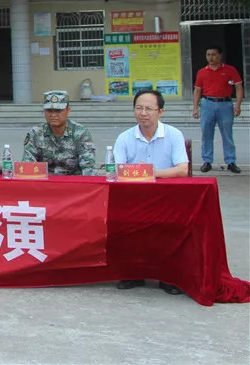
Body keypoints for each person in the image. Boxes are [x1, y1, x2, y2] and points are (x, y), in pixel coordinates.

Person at [114, 90, 189, 296]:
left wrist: (151, 172)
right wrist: (137, 174)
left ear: (160, 111)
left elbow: (182, 169)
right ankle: (133, 273)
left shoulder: (173, 135)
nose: (143, 113)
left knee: (170, 228)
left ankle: (168, 277)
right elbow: (117, 171)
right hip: (133, 197)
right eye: (139, 108)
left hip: (166, 197)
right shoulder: (124, 137)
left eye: (149, 108)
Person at [192, 45, 243, 174]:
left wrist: (237, 105)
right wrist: (195, 108)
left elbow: (238, 87)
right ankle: (207, 161)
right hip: (207, 104)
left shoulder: (230, 70)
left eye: (214, 54)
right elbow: (197, 90)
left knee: (227, 134)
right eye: (208, 55)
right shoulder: (202, 72)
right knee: (206, 134)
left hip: (225, 104)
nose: (211, 57)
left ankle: (231, 161)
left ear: (220, 55)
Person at [21, 90, 96, 176]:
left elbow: (89, 167)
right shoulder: (35, 133)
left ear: (68, 110)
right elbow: (28, 165)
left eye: (58, 110)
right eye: (49, 110)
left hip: (73, 184)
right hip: (44, 184)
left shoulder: (80, 133)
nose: (53, 115)